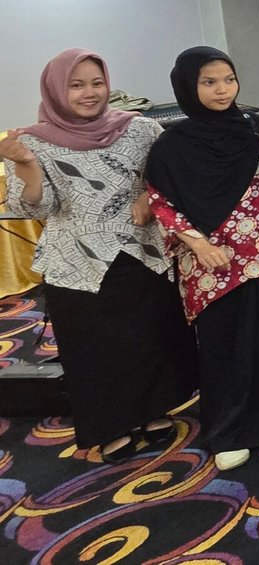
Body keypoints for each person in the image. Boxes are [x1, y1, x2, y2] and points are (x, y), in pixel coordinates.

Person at [0, 49, 197, 461]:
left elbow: (169, 173)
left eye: (96, 83)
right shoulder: (33, 141)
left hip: (144, 249)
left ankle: (153, 410)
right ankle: (111, 424)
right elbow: (34, 208)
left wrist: (147, 194)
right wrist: (28, 168)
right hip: (78, 260)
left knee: (150, 334)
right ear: (56, 90)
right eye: (76, 85)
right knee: (95, 347)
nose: (89, 93)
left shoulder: (140, 128)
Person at [147, 47, 259, 471]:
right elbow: (161, 199)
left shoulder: (254, 128)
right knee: (230, 338)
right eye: (209, 82)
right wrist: (197, 244)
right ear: (189, 87)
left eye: (228, 79)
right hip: (213, 253)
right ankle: (233, 427)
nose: (222, 90)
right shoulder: (172, 143)